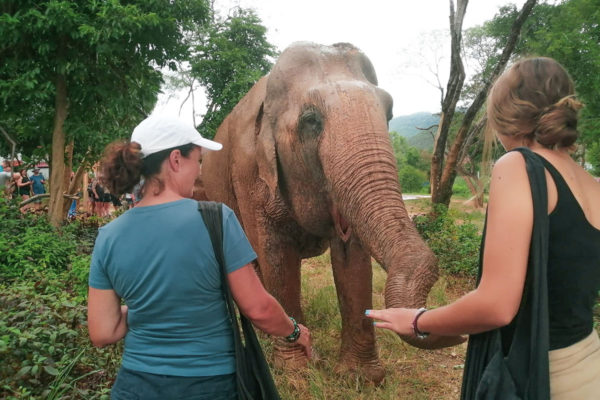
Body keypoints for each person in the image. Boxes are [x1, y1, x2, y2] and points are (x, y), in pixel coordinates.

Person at [366, 57, 600, 399]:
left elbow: (497, 305)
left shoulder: (521, 165)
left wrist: (417, 320)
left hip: (543, 377)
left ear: (505, 118)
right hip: (588, 362)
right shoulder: (593, 184)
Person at [87, 115, 312, 399]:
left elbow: (103, 331)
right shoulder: (215, 219)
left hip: (135, 386)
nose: (200, 171)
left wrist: (154, 304)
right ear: (176, 160)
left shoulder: (109, 236)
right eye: (199, 160)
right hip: (209, 384)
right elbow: (259, 309)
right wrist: (294, 332)